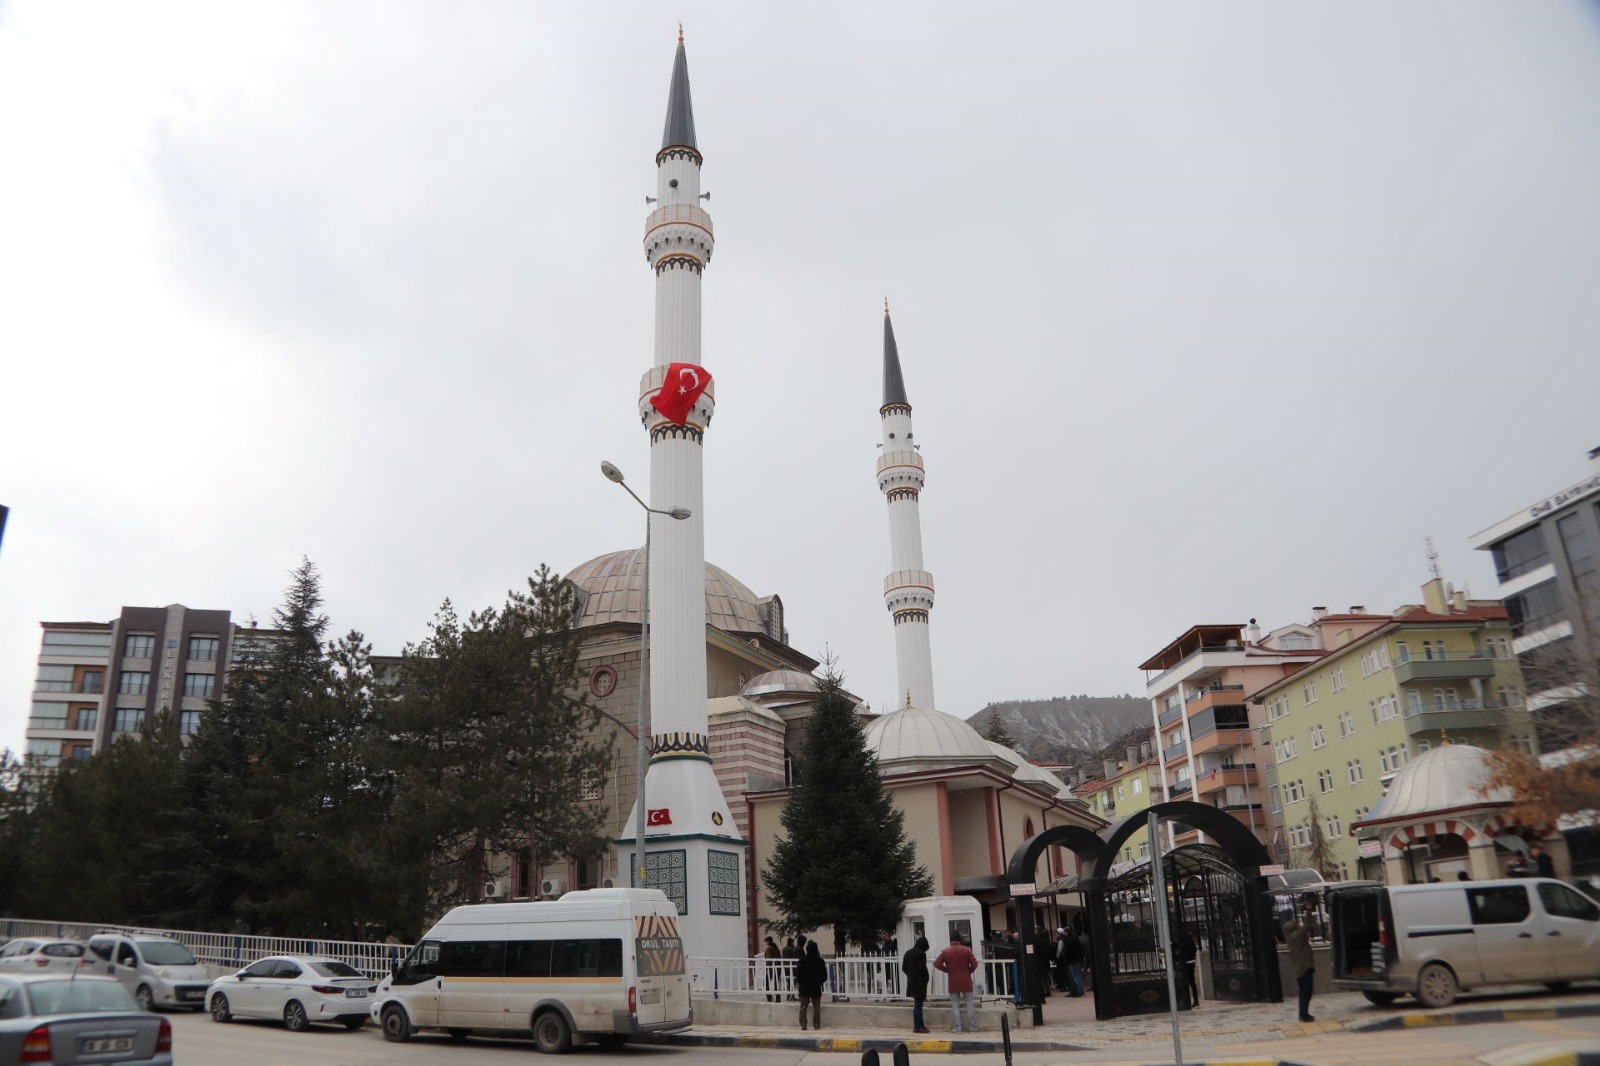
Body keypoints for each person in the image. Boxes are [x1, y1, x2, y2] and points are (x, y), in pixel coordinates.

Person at [934, 935, 980, 1034]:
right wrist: (969, 971)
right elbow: (975, 964)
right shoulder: (966, 950)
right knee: (969, 1004)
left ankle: (957, 1028)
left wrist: (947, 970)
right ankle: (973, 1027)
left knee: (955, 1004)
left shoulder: (945, 951)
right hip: (966, 980)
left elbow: (937, 964)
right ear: (960, 940)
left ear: (950, 940)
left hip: (953, 980)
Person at [1285, 910, 1315, 1023]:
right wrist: (1308, 910)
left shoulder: (1292, 937)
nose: (1298, 925)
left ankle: (1304, 1012)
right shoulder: (1297, 936)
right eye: (1296, 924)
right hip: (1304, 968)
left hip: (1299, 968)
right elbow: (1307, 925)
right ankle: (1303, 1014)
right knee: (1306, 992)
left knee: (1304, 991)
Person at [795, 940, 827, 1031]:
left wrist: (802, 983)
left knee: (803, 1007)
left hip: (804, 987)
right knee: (816, 1007)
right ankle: (816, 1024)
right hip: (816, 987)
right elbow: (824, 976)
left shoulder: (802, 960)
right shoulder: (820, 961)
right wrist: (819, 982)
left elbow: (798, 975)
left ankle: (803, 1024)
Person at [901, 935, 931, 1034]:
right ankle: (918, 1026)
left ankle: (920, 1025)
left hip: (911, 982)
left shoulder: (908, 953)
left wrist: (911, 975)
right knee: (918, 1005)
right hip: (920, 983)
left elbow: (904, 968)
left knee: (917, 1004)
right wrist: (926, 979)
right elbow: (923, 969)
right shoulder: (921, 954)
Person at [1173, 928, 1198, 1008]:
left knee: (1184, 981)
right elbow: (1194, 948)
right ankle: (1196, 1001)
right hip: (1192, 960)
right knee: (1192, 981)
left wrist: (1177, 958)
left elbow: (1178, 950)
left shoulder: (1178, 939)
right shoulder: (1189, 937)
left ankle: (1185, 1002)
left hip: (1185, 961)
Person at [1061, 926, 1085, 997]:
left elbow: (1067, 951)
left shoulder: (1068, 940)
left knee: (1076, 976)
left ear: (1067, 932)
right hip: (1077, 959)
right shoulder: (1075, 938)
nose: (1063, 933)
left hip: (1073, 960)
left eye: (1064, 932)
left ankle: (1080, 991)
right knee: (1077, 976)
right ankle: (1078, 990)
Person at [763, 936, 781, 1003]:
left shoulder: (768, 948)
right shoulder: (776, 948)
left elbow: (768, 960)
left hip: (771, 968)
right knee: (776, 984)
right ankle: (778, 999)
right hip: (778, 968)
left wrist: (767, 969)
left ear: (767, 942)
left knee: (766, 983)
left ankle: (769, 998)